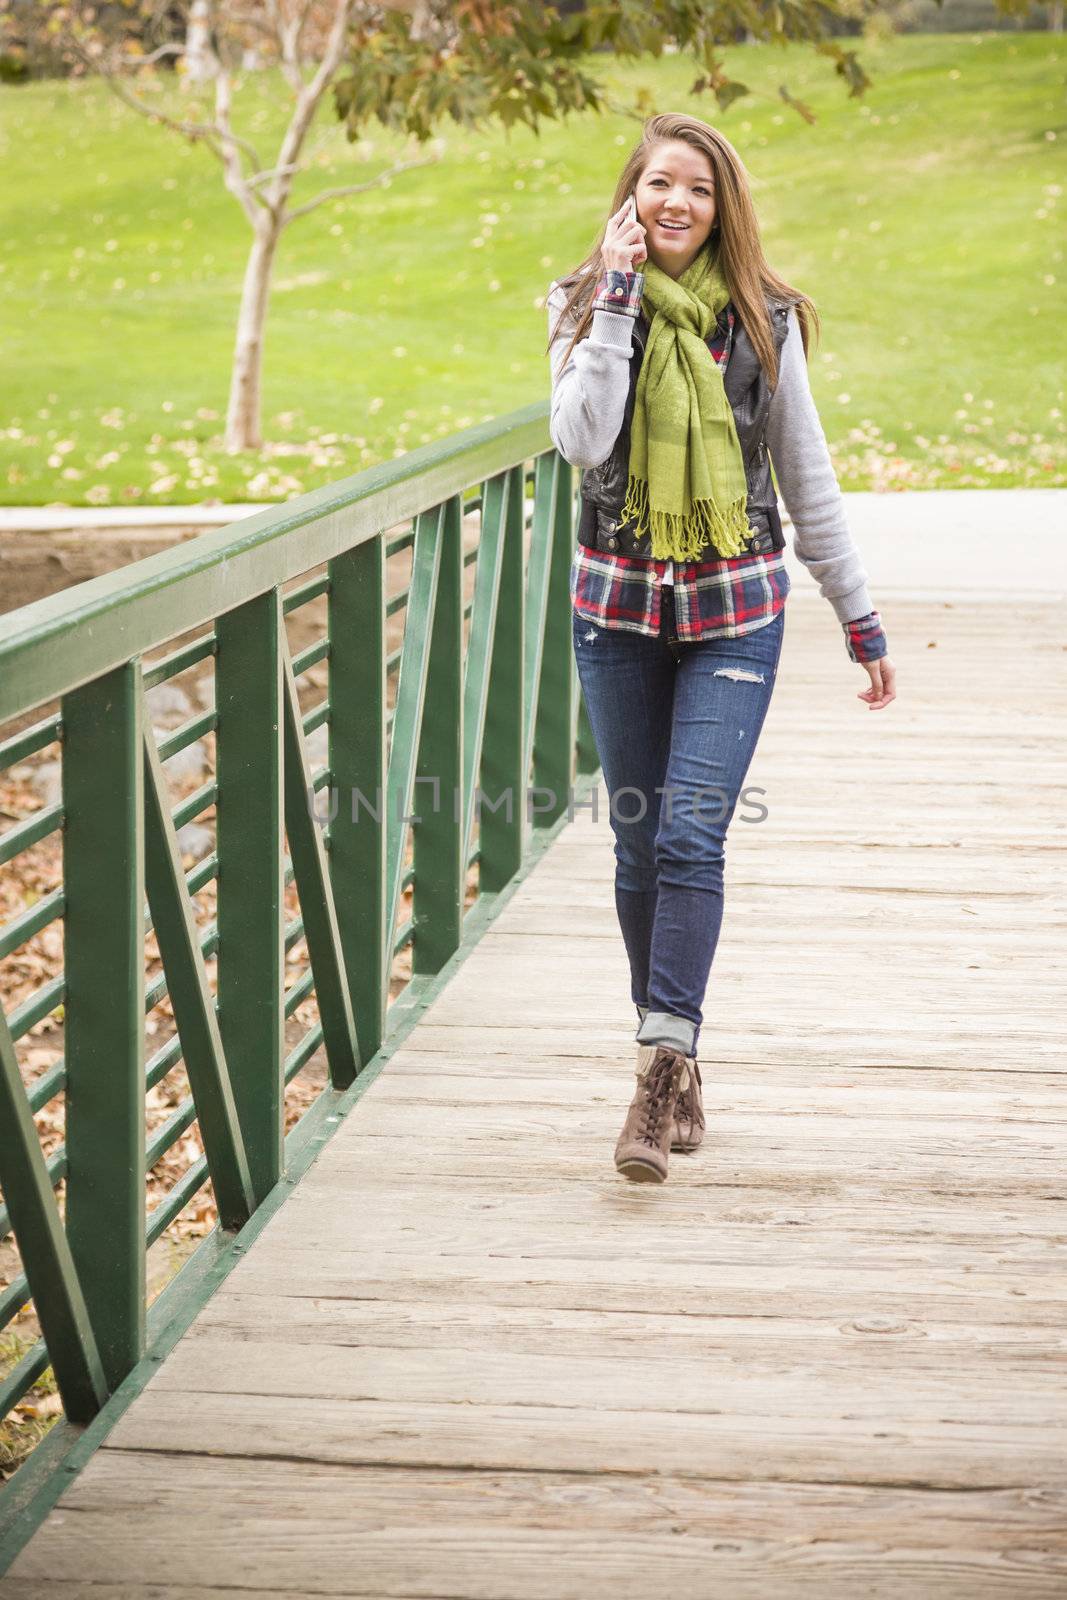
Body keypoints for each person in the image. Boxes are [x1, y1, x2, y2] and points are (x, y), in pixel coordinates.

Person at [545, 112, 897, 1185]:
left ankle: (658, 1069)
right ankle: (674, 1041)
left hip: (733, 610)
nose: (675, 204)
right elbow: (578, 439)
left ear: (721, 206)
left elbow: (805, 476)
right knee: (636, 845)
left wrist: (858, 615)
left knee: (690, 836)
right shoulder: (575, 303)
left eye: (697, 189)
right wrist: (612, 305)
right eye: (658, 183)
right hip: (616, 611)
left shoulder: (766, 319)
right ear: (630, 194)